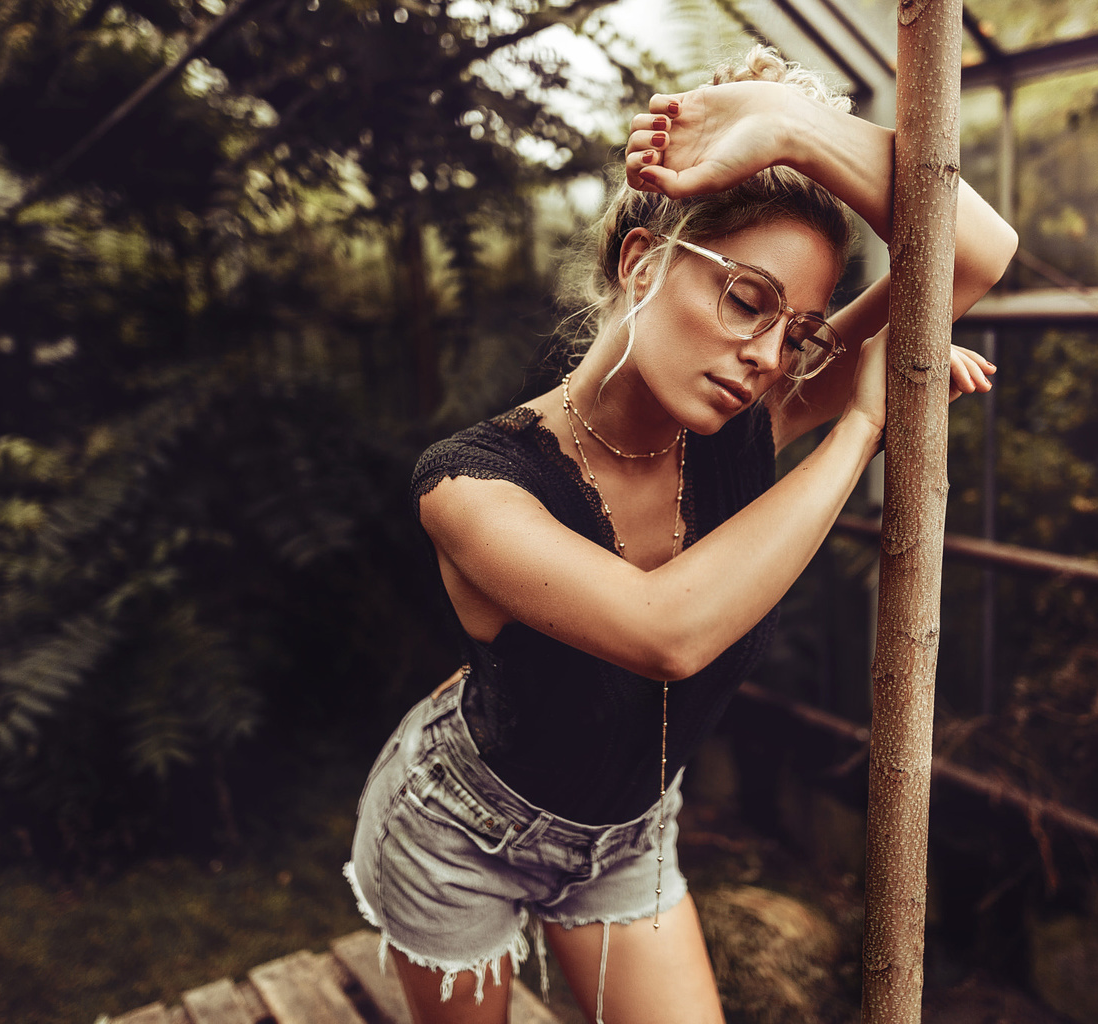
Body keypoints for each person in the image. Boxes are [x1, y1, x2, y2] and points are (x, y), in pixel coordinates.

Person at [344, 45, 1017, 1024]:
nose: (765, 357)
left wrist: (793, 134)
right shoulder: (470, 484)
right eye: (745, 298)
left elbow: (975, 252)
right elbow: (667, 632)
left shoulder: (746, 423)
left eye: (796, 331)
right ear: (641, 261)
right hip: (456, 831)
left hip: (625, 836)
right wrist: (864, 423)